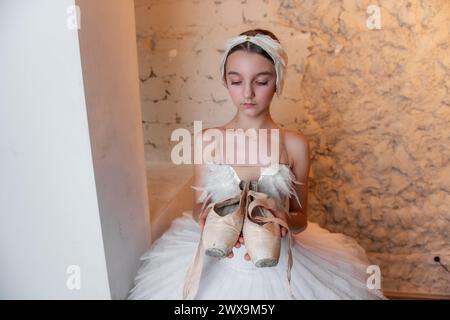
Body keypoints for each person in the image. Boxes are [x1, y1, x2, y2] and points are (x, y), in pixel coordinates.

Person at [127, 29, 386, 300]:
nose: (247, 93)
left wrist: (284, 219)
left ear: (277, 81)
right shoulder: (208, 141)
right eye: (236, 81)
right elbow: (197, 207)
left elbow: (300, 218)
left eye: (261, 82)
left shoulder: (294, 145)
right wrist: (207, 219)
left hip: (275, 256)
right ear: (225, 82)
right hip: (219, 260)